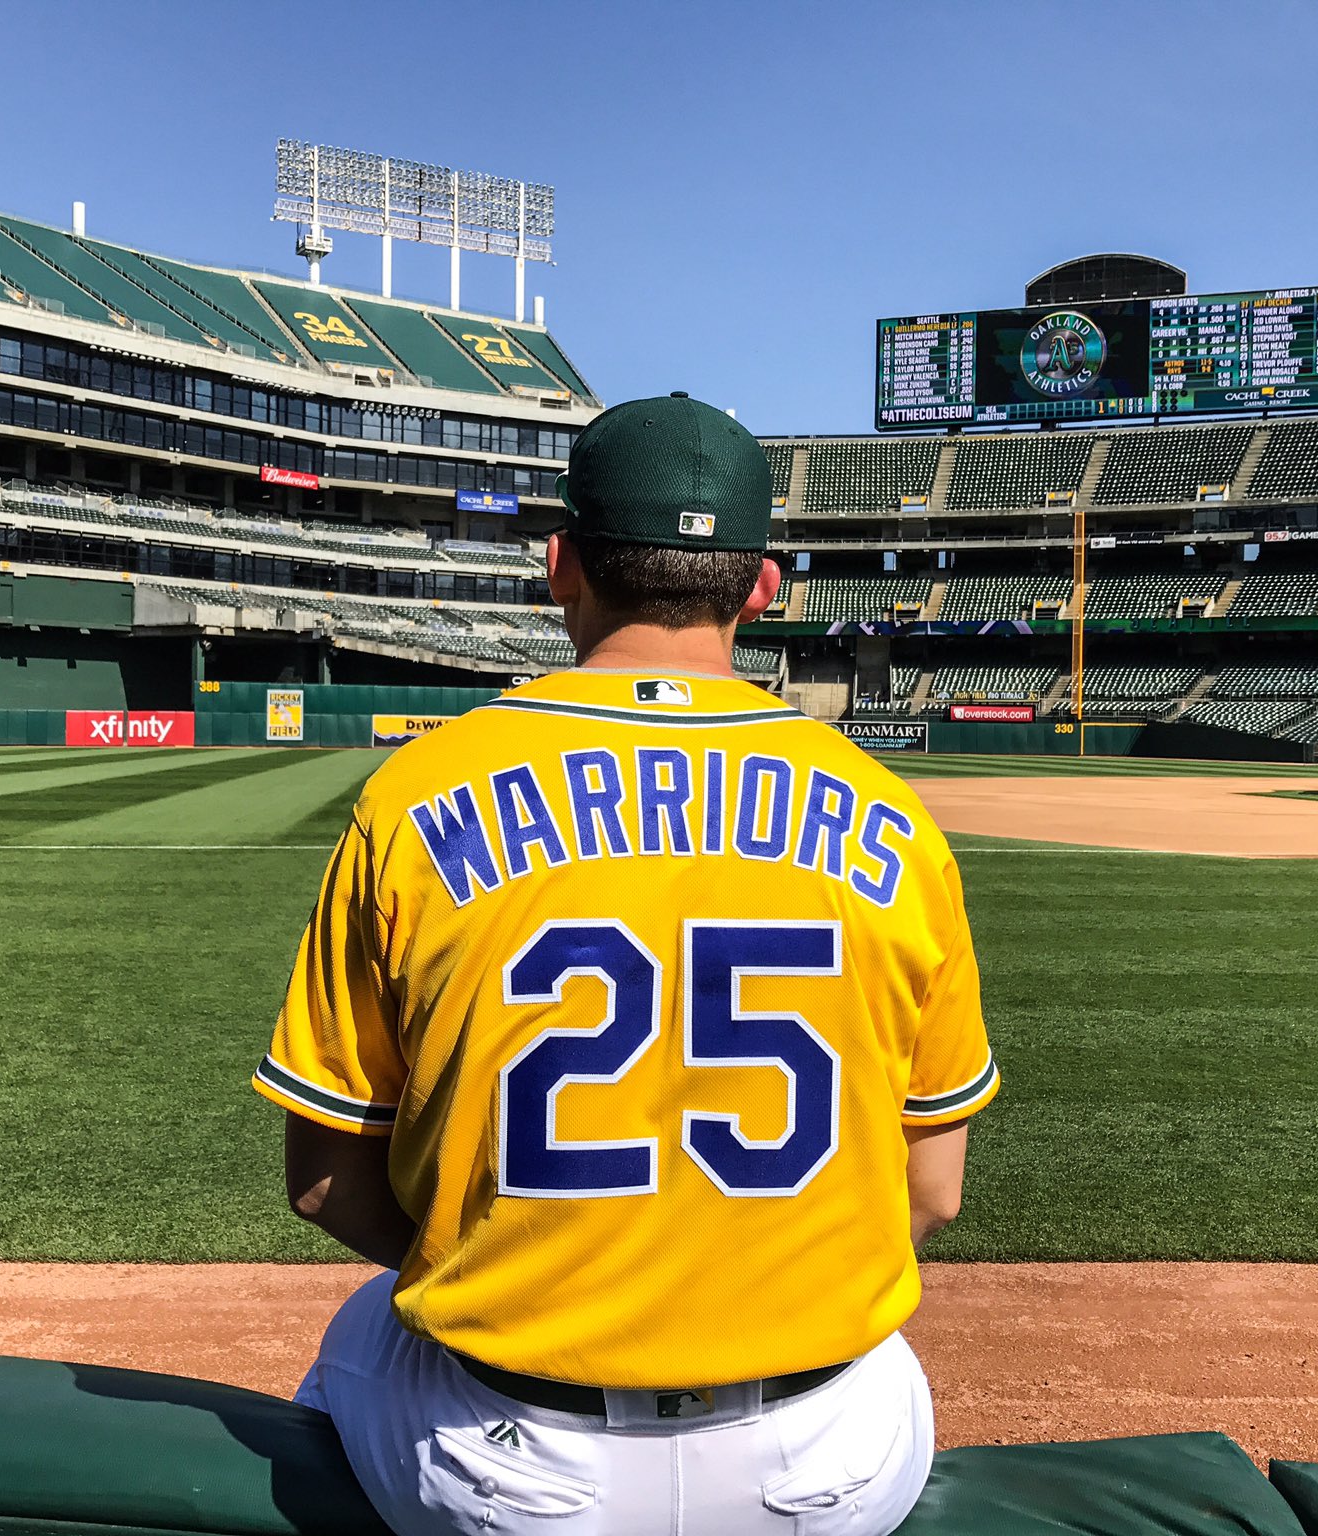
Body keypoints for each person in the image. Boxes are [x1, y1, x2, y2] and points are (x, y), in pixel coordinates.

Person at [254, 392, 996, 1536]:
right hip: (818, 1467)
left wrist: (510, 1268)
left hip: (507, 1472)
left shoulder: (414, 796)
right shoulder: (889, 814)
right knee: (876, 1364)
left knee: (364, 1331)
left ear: (560, 567)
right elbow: (930, 1194)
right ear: (761, 586)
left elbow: (321, 1182)